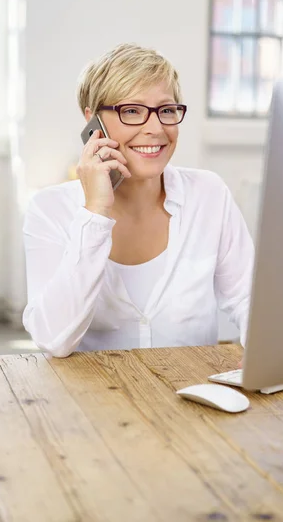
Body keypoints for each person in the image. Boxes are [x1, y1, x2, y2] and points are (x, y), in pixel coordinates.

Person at [22, 43, 254, 357]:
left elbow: (249, 301)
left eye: (167, 110)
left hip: (192, 398)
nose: (156, 128)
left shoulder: (209, 193)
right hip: (91, 401)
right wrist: (96, 213)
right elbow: (54, 339)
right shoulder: (49, 210)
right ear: (93, 122)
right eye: (132, 111)